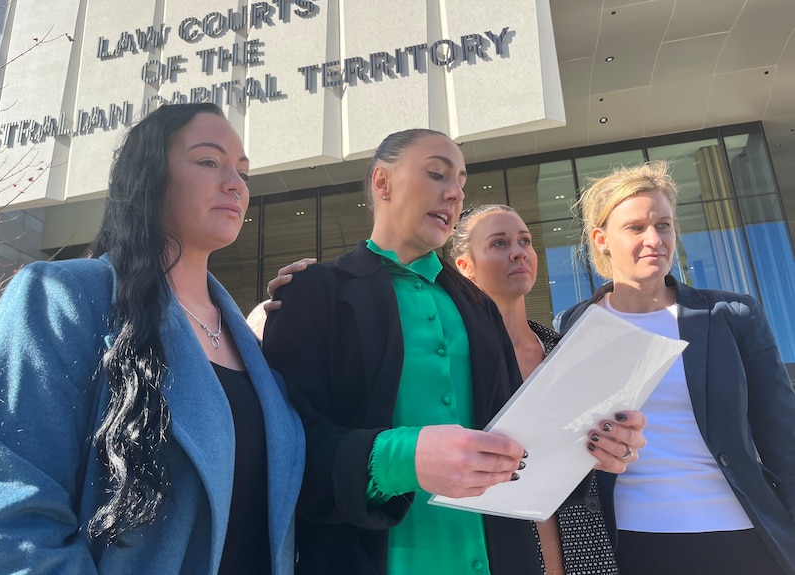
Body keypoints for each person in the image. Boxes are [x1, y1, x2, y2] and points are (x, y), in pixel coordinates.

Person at [262, 128, 645, 575]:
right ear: (382, 183)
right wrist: (401, 457)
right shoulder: (312, 293)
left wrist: (592, 446)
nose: (454, 194)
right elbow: (283, 447)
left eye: (461, 182)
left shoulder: (479, 305)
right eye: (437, 174)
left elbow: (519, 444)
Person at [0, 103, 304, 574]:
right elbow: (6, 518)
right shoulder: (64, 298)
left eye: (243, 171)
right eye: (208, 161)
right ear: (150, 175)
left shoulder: (253, 351)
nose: (235, 183)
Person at [555, 161, 795, 575]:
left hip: (742, 535)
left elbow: (783, 436)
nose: (654, 240)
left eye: (663, 225)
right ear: (602, 240)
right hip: (634, 542)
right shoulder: (573, 326)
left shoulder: (731, 315)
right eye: (635, 228)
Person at [451, 203, 623, 575]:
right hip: (495, 551)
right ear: (466, 267)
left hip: (586, 550)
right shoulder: (452, 358)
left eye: (524, 241)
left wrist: (616, 447)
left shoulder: (567, 352)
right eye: (498, 243)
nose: (518, 251)